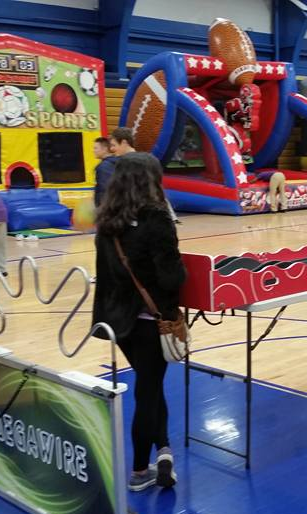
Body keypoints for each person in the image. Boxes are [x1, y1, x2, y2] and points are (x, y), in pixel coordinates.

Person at [92, 152, 186, 491]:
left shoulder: (107, 220)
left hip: (120, 323)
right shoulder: (157, 218)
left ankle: (163, 450)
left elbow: (105, 275)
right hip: (151, 321)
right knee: (147, 393)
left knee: (151, 384)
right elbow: (171, 277)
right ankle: (138, 472)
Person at [111, 127, 181, 224]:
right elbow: (159, 190)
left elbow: (122, 192)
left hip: (135, 216)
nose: (112, 149)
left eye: (114, 145)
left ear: (124, 142)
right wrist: (171, 217)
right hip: (156, 215)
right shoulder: (152, 159)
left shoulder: (123, 163)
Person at [93, 136, 120, 208]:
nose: (93, 151)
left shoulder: (104, 167)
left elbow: (105, 189)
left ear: (104, 149)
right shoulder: (117, 162)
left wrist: (102, 209)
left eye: (96, 148)